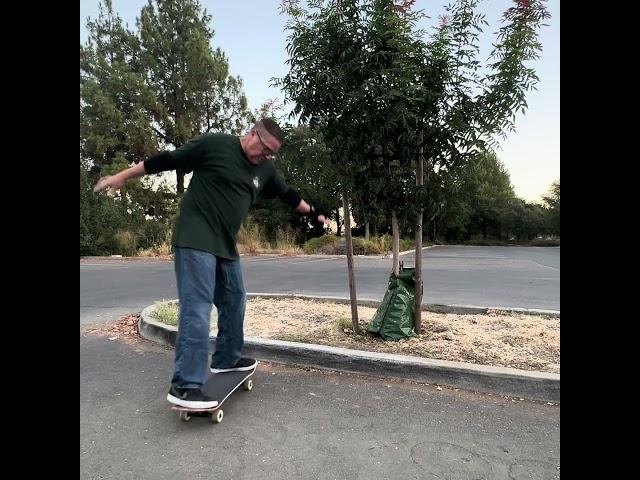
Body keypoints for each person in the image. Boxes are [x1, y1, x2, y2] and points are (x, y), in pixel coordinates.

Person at [93, 118, 327, 409]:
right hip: (195, 237)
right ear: (252, 134)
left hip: (225, 245)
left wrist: (314, 213)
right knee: (197, 306)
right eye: (264, 149)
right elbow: (165, 160)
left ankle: (227, 360)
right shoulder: (216, 144)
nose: (265, 156)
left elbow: (287, 193)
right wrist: (122, 176)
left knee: (235, 299)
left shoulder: (264, 169)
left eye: (271, 154)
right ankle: (185, 386)